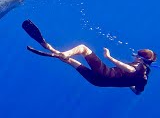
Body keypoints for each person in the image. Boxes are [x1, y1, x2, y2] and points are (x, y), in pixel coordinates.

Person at [22, 19, 157, 95]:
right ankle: (52, 49)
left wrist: (109, 57)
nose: (134, 57)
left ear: (140, 59)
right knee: (71, 62)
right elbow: (137, 92)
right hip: (99, 82)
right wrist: (128, 83)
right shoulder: (144, 78)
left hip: (104, 74)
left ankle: (60, 52)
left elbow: (130, 70)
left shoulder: (137, 67)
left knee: (83, 48)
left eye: (136, 56)